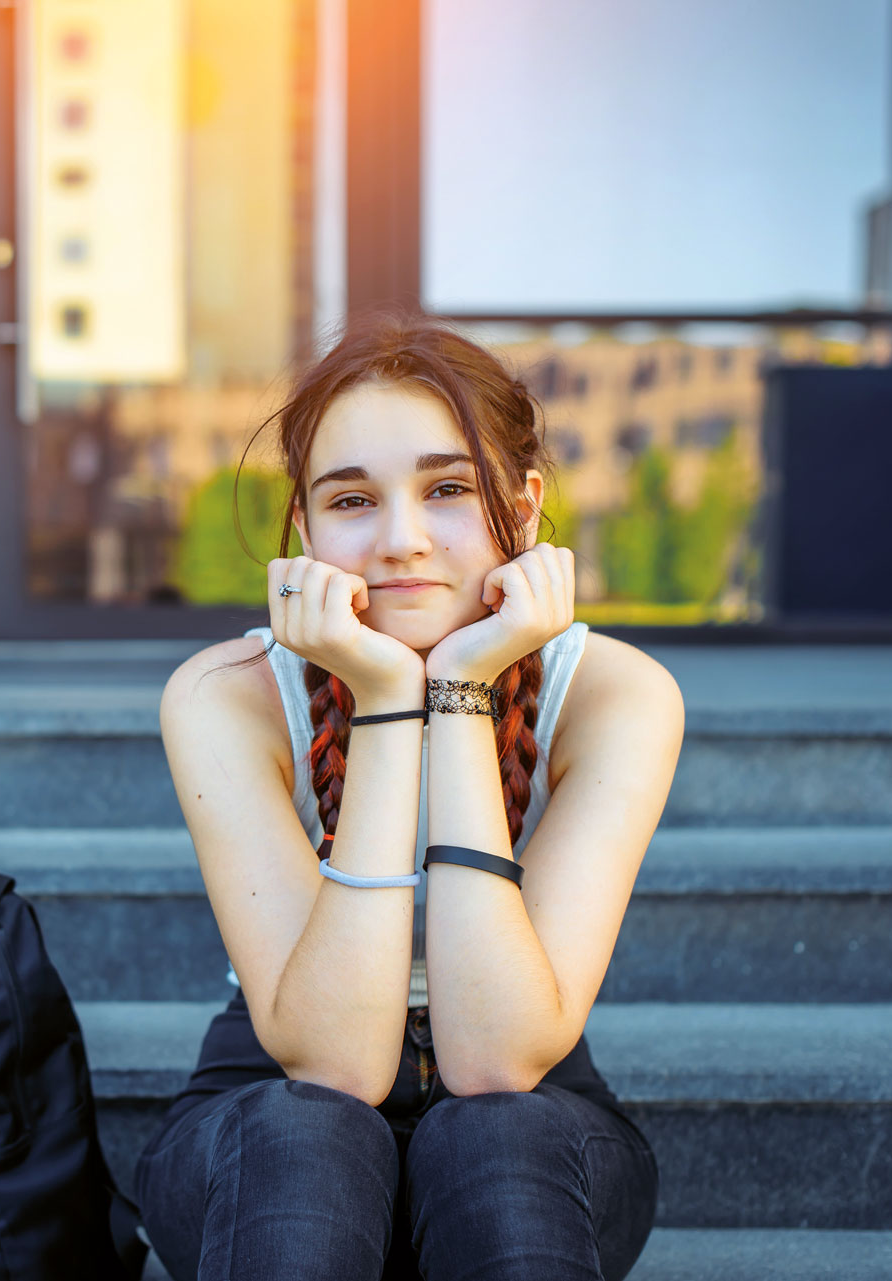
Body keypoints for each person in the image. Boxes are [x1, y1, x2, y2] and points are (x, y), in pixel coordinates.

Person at [137, 305, 684, 1280]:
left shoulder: (614, 695)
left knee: (497, 1140)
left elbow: (493, 1064)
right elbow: (336, 1067)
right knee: (304, 1139)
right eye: (351, 502)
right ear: (302, 526)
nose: (400, 541)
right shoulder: (229, 698)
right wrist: (392, 698)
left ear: (524, 504)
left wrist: (463, 690)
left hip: (536, 1117)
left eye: (447, 489)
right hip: (274, 1110)